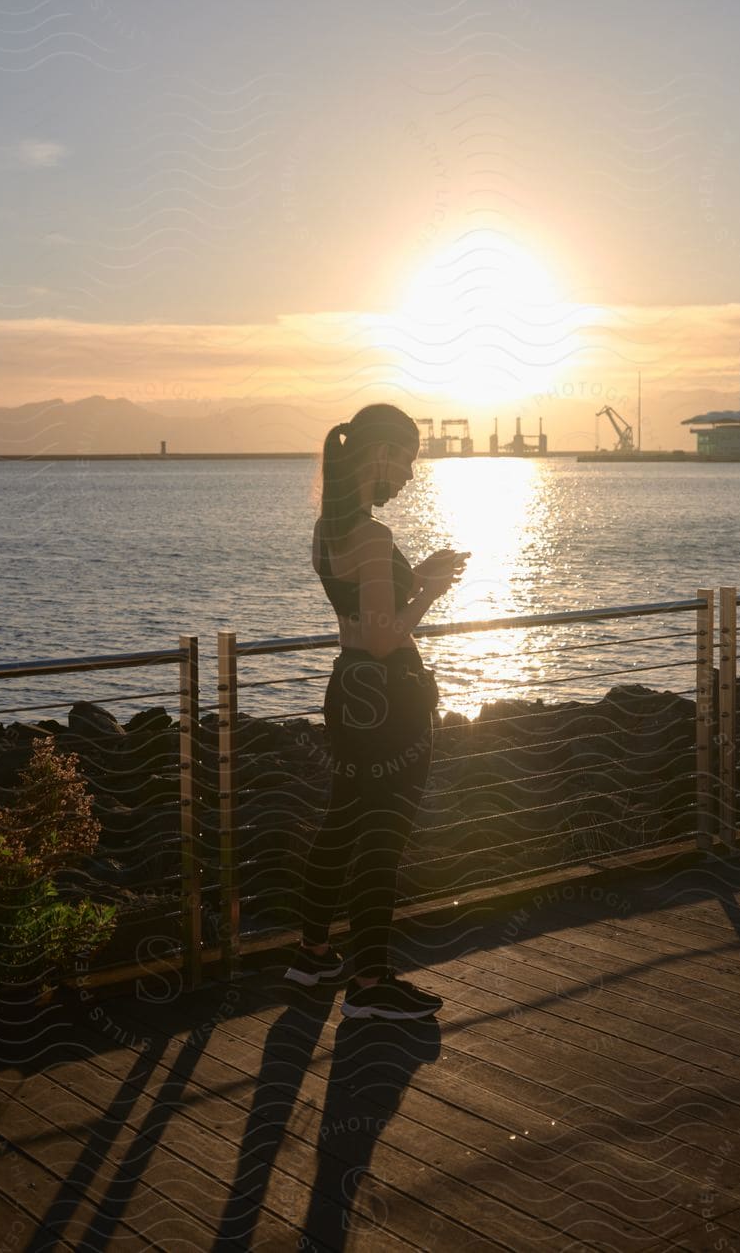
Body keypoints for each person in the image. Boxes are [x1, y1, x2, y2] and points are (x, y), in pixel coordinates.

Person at [285, 404, 468, 1020]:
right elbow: (388, 635)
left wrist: (415, 577)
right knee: (383, 840)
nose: (410, 477)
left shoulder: (329, 530)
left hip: (348, 690)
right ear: (381, 454)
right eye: (408, 461)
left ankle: (312, 955)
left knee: (341, 823)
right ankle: (370, 984)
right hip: (390, 695)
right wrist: (433, 595)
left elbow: (363, 613)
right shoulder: (373, 536)